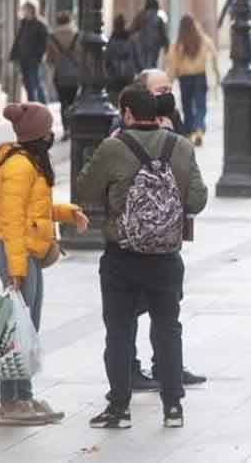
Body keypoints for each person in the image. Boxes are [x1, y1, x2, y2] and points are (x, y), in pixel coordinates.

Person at [78, 83, 208, 429]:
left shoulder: (112, 147)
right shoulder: (180, 145)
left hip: (122, 255)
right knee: (168, 329)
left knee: (119, 330)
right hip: (166, 256)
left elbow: (85, 190)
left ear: (127, 113)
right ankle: (173, 407)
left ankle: (119, 408)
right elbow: (197, 200)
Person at [0, 103, 87, 426]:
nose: (52, 135)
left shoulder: (28, 163)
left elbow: (35, 209)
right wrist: (16, 270)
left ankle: (24, 396)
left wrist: (68, 212)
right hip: (19, 256)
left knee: (27, 330)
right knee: (16, 331)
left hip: (28, 255)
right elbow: (13, 221)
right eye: (48, 130)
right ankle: (10, 401)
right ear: (38, 135)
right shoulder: (19, 167)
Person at [164, 15, 220, 146]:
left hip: (185, 78)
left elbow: (172, 64)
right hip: (200, 76)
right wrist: (217, 75)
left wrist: (168, 82)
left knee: (187, 106)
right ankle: (199, 129)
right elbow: (213, 55)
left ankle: (189, 133)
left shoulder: (178, 44)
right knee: (201, 105)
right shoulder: (203, 40)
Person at [47, 11, 81, 140]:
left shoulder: (52, 36)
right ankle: (73, 128)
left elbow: (49, 58)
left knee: (64, 102)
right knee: (74, 102)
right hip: (75, 74)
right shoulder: (76, 34)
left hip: (60, 73)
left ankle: (66, 128)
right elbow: (82, 54)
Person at [10, 0, 49, 103]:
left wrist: (39, 56)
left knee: (36, 83)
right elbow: (19, 39)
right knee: (27, 84)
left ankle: (43, 106)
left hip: (34, 59)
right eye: (24, 9)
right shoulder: (23, 23)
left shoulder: (40, 24)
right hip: (23, 59)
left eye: (26, 9)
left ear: (32, 10)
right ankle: (32, 106)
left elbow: (44, 43)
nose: (24, 11)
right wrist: (14, 55)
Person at [106, 15, 139, 103]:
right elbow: (137, 57)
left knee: (114, 102)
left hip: (114, 78)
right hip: (128, 76)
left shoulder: (111, 41)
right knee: (128, 102)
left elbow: (107, 60)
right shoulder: (131, 40)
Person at [137, 0, 170, 69]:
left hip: (142, 45)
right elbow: (163, 34)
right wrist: (167, 47)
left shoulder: (140, 17)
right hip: (154, 46)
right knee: (152, 65)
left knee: (142, 65)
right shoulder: (159, 18)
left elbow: (132, 30)